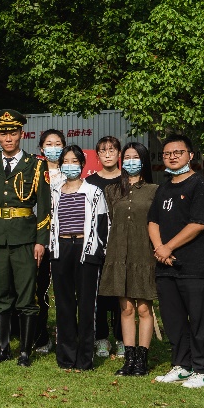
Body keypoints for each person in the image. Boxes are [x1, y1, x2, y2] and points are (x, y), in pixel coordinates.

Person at [0, 110, 52, 367]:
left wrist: (41, 241)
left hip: (25, 239)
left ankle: (25, 352)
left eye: (13, 133)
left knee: (26, 295)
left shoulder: (36, 165)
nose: (8, 138)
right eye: (3, 133)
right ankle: (3, 349)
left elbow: (45, 207)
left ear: (21, 134)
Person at [148, 135, 204, 388]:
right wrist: (160, 248)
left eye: (178, 152)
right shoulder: (164, 188)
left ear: (190, 155)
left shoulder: (201, 185)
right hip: (165, 266)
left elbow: (199, 224)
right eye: (168, 153)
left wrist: (168, 247)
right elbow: (153, 221)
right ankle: (181, 365)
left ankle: (203, 370)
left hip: (194, 266)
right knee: (173, 319)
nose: (173, 157)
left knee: (198, 320)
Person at [49, 146, 110, 371]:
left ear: (82, 164)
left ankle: (85, 358)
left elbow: (103, 224)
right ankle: (66, 356)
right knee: (64, 304)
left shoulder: (94, 191)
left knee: (86, 305)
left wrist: (99, 251)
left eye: (74, 161)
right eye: (66, 161)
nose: (70, 165)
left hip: (86, 248)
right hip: (61, 248)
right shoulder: (54, 191)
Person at [99, 142, 158, 377]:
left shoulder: (155, 190)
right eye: (128, 157)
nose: (131, 161)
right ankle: (129, 358)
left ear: (143, 161)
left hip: (144, 253)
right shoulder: (112, 190)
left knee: (144, 308)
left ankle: (142, 359)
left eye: (136, 157)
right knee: (126, 309)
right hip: (118, 253)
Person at [86, 136, 124, 358]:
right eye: (103, 150)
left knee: (121, 294)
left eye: (112, 150)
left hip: (122, 245)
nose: (108, 154)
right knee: (98, 293)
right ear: (97, 155)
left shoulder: (128, 180)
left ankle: (121, 338)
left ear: (119, 153)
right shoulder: (89, 182)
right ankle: (101, 338)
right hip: (97, 245)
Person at [32, 128, 67, 354]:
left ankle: (66, 336)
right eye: (49, 144)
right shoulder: (34, 173)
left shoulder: (70, 172)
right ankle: (41, 337)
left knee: (65, 291)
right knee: (41, 290)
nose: (53, 149)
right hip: (41, 240)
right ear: (41, 148)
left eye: (57, 144)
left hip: (65, 240)